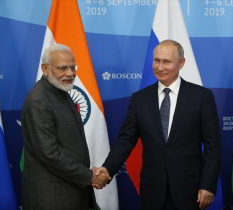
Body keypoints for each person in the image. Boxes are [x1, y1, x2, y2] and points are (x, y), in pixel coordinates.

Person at [94, 40, 222, 210]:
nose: (160, 67)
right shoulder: (139, 99)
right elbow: (125, 141)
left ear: (181, 63)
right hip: (152, 191)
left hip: (190, 191)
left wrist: (208, 185)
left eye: (167, 62)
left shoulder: (202, 97)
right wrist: (107, 170)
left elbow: (213, 146)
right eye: (157, 61)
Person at [21, 44, 110, 210]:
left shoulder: (60, 91)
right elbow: (49, 154)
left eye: (72, 67)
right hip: (52, 198)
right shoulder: (39, 100)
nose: (70, 73)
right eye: (62, 68)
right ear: (45, 69)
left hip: (69, 192)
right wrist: (90, 176)